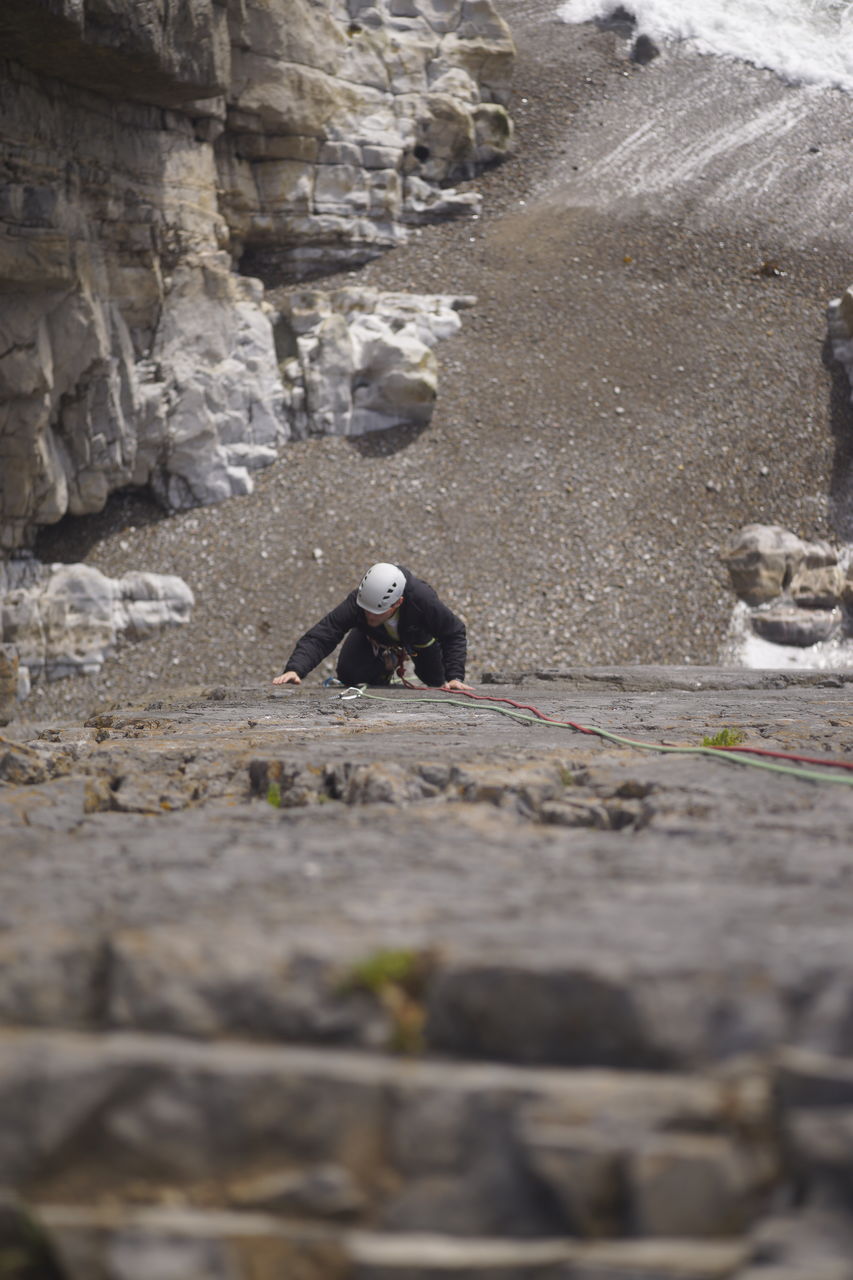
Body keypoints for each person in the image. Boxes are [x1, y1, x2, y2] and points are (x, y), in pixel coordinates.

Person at [272, 562, 471, 691]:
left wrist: (454, 676)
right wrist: (296, 669)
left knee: (436, 681)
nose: (368, 616)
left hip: (419, 639)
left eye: (376, 611)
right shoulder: (359, 601)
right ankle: (386, 664)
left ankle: (433, 674)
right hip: (376, 638)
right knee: (349, 674)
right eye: (365, 610)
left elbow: (453, 632)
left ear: (398, 602)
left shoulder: (423, 600)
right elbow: (325, 633)